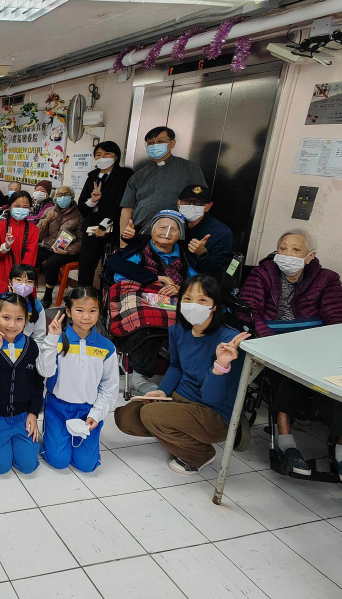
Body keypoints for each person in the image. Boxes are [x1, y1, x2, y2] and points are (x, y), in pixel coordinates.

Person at [114, 275, 249, 473]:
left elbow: (212, 397)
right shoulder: (178, 330)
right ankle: (176, 430)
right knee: (125, 417)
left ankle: (199, 455)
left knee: (151, 415)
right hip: (181, 398)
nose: (194, 305)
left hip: (214, 411)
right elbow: (176, 366)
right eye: (187, 299)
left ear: (215, 306)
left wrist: (220, 365)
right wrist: (162, 391)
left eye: (202, 300)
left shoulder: (230, 342)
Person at [239, 231, 342, 476]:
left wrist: (325, 347)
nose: (287, 254)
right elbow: (248, 310)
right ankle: (285, 440)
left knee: (333, 377)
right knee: (288, 371)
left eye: (296, 250)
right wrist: (272, 342)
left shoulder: (327, 279)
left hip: (314, 342)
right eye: (282, 248)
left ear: (310, 256)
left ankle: (339, 444)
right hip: (274, 339)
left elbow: (336, 317)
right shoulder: (263, 274)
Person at [108, 209, 198, 395]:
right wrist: (155, 279)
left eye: (173, 229)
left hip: (173, 297)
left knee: (188, 321)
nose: (167, 232)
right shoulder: (140, 249)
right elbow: (119, 276)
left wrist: (180, 288)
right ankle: (139, 375)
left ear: (180, 235)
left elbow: (197, 283)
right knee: (146, 318)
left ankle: (183, 374)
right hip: (141, 293)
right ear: (152, 229)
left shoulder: (185, 256)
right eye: (162, 227)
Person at [40, 288, 119, 472]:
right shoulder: (56, 340)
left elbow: (110, 386)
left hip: (87, 411)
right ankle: (53, 433)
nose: (86, 316)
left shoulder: (106, 347)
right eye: (80, 310)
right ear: (68, 311)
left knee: (87, 465)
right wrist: (51, 340)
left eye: (92, 311)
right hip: (58, 408)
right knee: (58, 461)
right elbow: (44, 370)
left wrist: (96, 414)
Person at [0, 292, 55, 475]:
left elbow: (38, 383)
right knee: (1, 466)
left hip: (22, 415)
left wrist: (33, 413)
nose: (12, 325)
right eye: (6, 317)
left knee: (28, 466)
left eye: (19, 319)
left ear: (26, 320)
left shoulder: (31, 346)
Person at [119, 126, 207, 246]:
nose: (155, 146)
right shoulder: (139, 175)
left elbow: (201, 203)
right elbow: (127, 209)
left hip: (175, 236)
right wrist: (123, 242)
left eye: (160, 142)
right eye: (150, 143)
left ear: (172, 143)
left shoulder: (190, 169)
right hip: (140, 235)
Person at [77, 141, 133, 287]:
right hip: (91, 229)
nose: (102, 157)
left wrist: (104, 225)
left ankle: (106, 297)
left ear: (115, 156)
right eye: (98, 154)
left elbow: (123, 204)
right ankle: (83, 295)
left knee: (110, 266)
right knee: (86, 264)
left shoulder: (124, 175)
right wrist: (92, 201)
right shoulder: (92, 176)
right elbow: (82, 206)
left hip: (113, 229)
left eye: (107, 154)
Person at [35, 186, 83, 307]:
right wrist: (46, 220)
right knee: (31, 255)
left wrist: (67, 251)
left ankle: (47, 296)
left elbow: (81, 241)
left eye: (64, 195)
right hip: (48, 246)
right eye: (58, 195)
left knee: (51, 263)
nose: (61, 197)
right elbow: (38, 235)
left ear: (72, 197)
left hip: (67, 251)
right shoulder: (49, 210)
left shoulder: (79, 215)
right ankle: (28, 288)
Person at [0, 190, 40, 301]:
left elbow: (31, 255)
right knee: (1, 301)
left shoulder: (34, 230)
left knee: (23, 302)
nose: (21, 209)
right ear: (9, 207)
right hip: (2, 270)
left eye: (25, 207)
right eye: (17, 206)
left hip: (24, 274)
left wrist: (21, 277)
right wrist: (6, 246)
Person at [175, 185, 232, 279]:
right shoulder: (169, 223)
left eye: (198, 203)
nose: (191, 206)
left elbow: (218, 272)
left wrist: (202, 254)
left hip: (198, 281)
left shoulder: (221, 232)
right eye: (186, 201)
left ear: (208, 206)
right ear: (178, 203)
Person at [8, 263, 47, 341]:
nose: (24, 285)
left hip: (28, 344)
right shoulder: (1, 302)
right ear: (10, 282)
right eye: (19, 280)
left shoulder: (37, 306)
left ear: (34, 285)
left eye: (29, 281)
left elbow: (39, 335)